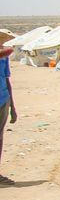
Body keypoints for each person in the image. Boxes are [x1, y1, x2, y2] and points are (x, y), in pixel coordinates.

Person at [0, 45, 17, 186]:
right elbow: (9, 50)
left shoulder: (4, 57)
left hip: (3, 99)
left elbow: (6, 79)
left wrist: (12, 106)